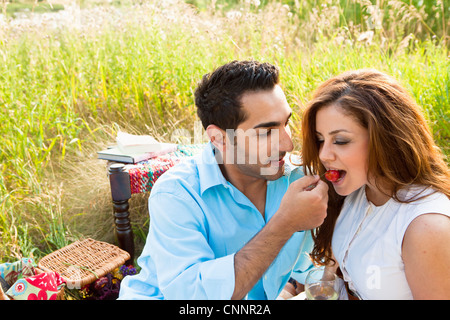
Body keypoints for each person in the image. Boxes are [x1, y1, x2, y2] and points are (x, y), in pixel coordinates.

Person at [118, 60, 329, 300]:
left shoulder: (297, 180)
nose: (287, 144)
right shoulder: (176, 194)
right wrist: (285, 224)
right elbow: (195, 300)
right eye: (265, 132)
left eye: (286, 123)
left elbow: (315, 266)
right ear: (219, 138)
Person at [300, 68, 450, 300]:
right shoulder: (356, 190)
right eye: (320, 140)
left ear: (385, 139)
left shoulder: (426, 228)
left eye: (340, 141)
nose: (324, 154)